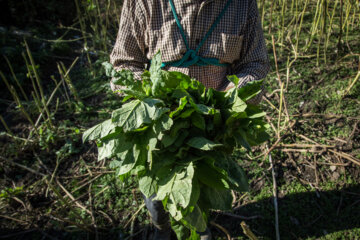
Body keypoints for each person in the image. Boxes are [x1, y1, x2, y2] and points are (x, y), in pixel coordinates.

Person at [110, 0, 270, 239]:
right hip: (159, 131)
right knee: (156, 200)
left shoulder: (241, 4)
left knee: (201, 193)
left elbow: (255, 64)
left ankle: (200, 229)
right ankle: (162, 229)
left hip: (213, 130)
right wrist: (157, 100)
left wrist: (227, 99)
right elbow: (124, 64)